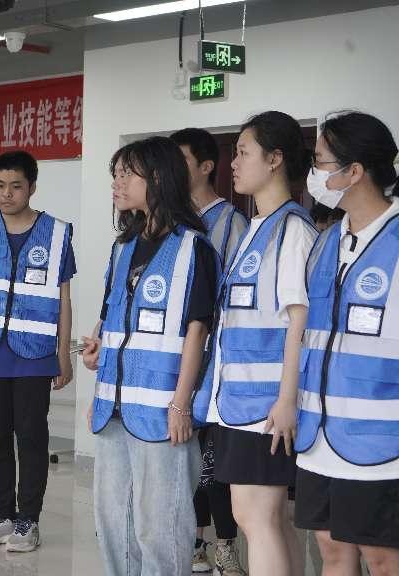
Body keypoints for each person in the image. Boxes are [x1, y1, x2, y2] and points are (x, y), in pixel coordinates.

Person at [82, 136, 219, 576]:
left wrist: (181, 404)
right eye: (115, 174)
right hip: (114, 408)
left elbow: (197, 331)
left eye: (127, 173)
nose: (117, 183)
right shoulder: (123, 247)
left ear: (158, 177)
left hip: (162, 412)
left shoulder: (194, 249)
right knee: (112, 521)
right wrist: (98, 357)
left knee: (160, 526)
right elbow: (112, 319)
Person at [201, 111, 317, 576]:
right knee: (267, 519)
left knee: (255, 517)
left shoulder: (292, 231)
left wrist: (287, 400)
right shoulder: (259, 226)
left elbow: (299, 321)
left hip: (267, 406)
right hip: (242, 401)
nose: (233, 162)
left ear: (275, 159)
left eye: (243, 152)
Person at [295, 111, 399, 576]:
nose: (313, 173)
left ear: (354, 171)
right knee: (331, 547)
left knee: (382, 556)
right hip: (319, 431)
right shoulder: (327, 241)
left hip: (380, 439)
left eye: (319, 161)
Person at [0, 150, 75, 553]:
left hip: (34, 354)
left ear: (32, 188)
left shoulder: (56, 233)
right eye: (0, 185)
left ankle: (28, 520)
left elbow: (63, 298)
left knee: (31, 438)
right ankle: (2, 516)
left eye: (16, 186)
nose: (6, 194)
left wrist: (63, 353)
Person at [170, 127, 248, 576]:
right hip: (177, 359)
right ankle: (195, 541)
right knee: (187, 458)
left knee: (215, 462)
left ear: (205, 166)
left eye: (180, 161)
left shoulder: (231, 223)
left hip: (216, 359)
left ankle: (226, 545)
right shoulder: (172, 221)